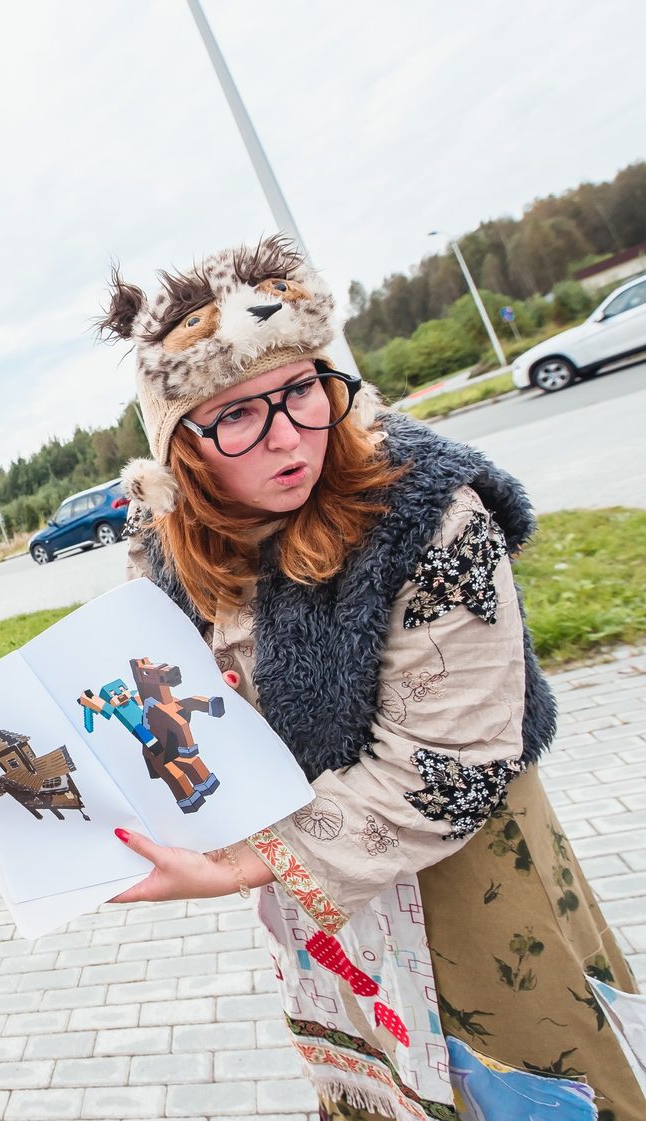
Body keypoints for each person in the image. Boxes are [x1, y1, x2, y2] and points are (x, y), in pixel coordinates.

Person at [95, 236, 642, 1120]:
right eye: (238, 413)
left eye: (303, 389)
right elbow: (160, 708)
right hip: (323, 908)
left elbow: (452, 757)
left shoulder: (429, 509)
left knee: (513, 1076)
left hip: (463, 869)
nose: (289, 434)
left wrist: (249, 861)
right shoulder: (168, 554)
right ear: (180, 447)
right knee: (380, 1082)